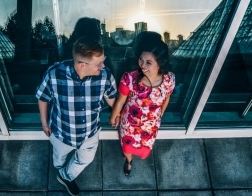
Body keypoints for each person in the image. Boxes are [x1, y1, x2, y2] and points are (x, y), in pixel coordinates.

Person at [36, 36, 117, 196]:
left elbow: (111, 98)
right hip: (61, 133)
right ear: (82, 65)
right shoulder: (54, 74)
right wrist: (44, 123)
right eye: (99, 63)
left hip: (89, 134)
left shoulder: (105, 75)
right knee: (59, 159)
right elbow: (43, 97)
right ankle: (61, 169)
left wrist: (118, 114)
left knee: (86, 159)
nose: (103, 65)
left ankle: (65, 176)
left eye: (103, 60)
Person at [109, 37, 175, 176]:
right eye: (141, 60)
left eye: (148, 62)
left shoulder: (169, 79)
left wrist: (159, 116)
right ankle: (128, 161)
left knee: (144, 152)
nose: (142, 65)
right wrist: (114, 116)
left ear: (160, 63)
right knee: (127, 148)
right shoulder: (130, 78)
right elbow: (120, 101)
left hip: (150, 127)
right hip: (130, 125)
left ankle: (131, 158)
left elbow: (166, 98)